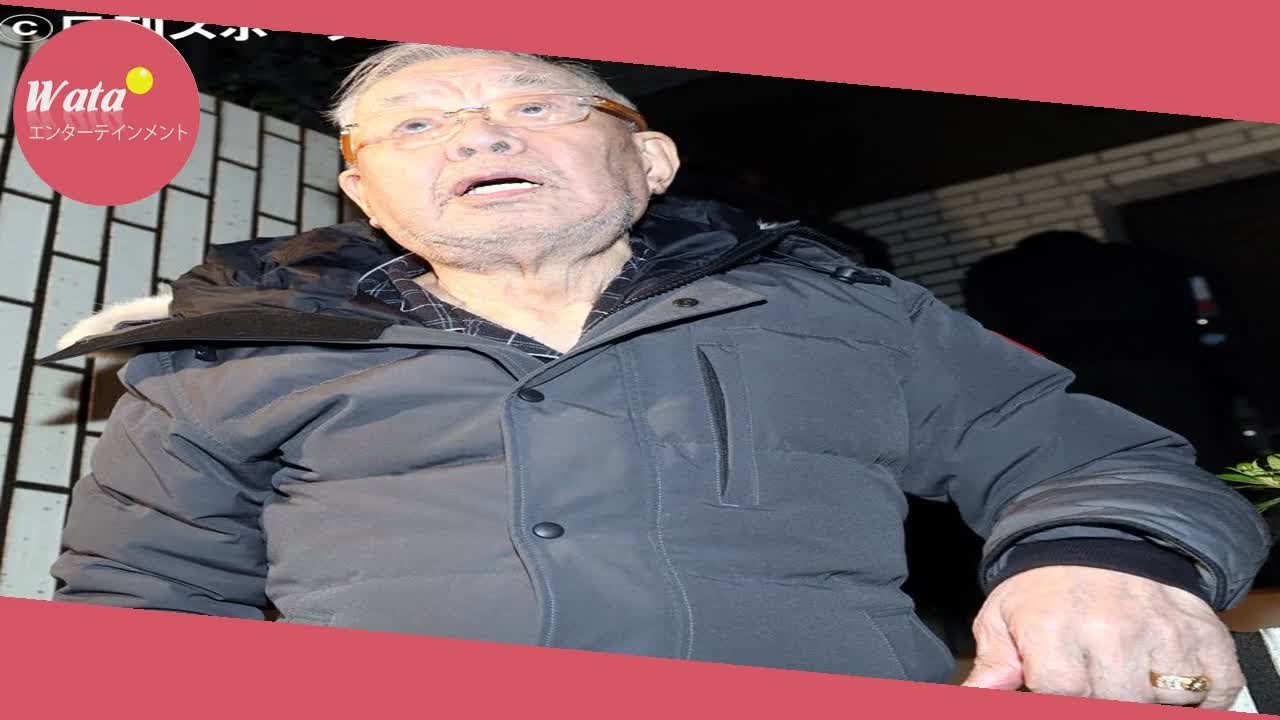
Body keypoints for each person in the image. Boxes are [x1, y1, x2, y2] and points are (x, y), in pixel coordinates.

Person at [41, 43, 1271, 709]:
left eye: (537, 106)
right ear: (365, 193)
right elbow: (138, 609)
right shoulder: (227, 362)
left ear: (650, 161)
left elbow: (1088, 453)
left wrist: (1101, 557)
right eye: (415, 124)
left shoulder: (844, 313)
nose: (479, 132)